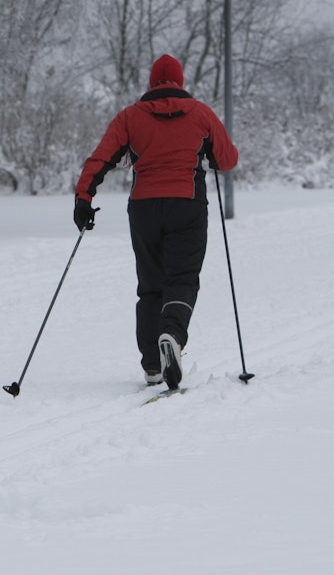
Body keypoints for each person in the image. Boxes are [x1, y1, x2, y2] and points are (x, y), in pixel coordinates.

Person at [73, 54, 238, 390]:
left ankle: (152, 365)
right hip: (187, 204)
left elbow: (101, 158)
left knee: (150, 284)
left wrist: (83, 199)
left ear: (152, 83)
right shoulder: (201, 113)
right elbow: (228, 160)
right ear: (180, 81)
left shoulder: (130, 117)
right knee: (182, 277)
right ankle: (172, 335)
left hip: (144, 207)